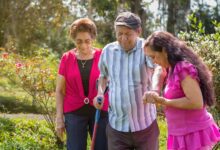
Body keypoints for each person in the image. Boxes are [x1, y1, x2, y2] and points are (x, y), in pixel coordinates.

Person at [93, 12, 165, 150]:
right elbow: (103, 76)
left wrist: (155, 90)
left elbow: (158, 69)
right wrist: (100, 93)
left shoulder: (147, 48)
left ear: (138, 31)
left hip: (145, 125)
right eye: (119, 34)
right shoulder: (108, 51)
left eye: (128, 34)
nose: (123, 38)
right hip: (117, 127)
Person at [143, 31, 220, 150]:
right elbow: (159, 72)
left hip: (191, 133)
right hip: (180, 133)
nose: (153, 61)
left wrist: (165, 102)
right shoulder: (170, 68)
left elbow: (196, 102)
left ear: (164, 50)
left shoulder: (182, 68)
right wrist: (155, 91)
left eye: (153, 56)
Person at [55, 18, 109, 150]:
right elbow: (60, 90)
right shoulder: (67, 58)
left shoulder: (103, 55)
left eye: (87, 41)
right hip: (73, 113)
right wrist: (59, 118)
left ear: (93, 39)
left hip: (100, 111)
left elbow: (109, 81)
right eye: (79, 41)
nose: (83, 45)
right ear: (74, 39)